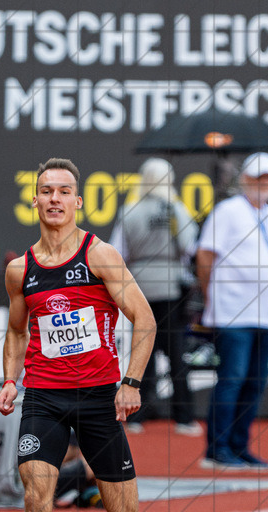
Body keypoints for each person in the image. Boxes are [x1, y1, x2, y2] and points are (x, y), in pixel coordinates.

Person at [0, 157, 155, 512]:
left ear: (78, 201)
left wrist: (131, 382)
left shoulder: (99, 255)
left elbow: (145, 319)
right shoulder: (21, 270)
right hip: (43, 398)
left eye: (64, 191)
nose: (55, 199)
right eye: (47, 191)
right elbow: (17, 331)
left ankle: (96, 473)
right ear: (35, 200)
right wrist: (9, 380)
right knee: (35, 497)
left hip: (98, 397)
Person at [196, 152, 268, 471]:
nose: (264, 183)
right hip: (233, 311)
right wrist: (212, 297)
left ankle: (239, 446)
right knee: (232, 379)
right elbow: (205, 256)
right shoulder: (227, 211)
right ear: (245, 179)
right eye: (258, 177)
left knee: (255, 382)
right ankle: (217, 449)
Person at [110, 158, 201, 436]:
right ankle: (184, 417)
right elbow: (190, 247)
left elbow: (117, 252)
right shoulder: (177, 209)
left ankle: (137, 416)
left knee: (143, 351)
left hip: (139, 288)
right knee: (176, 353)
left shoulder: (129, 211)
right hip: (171, 287)